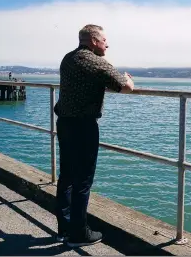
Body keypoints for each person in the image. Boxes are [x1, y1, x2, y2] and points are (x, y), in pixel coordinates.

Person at [53, 24, 134, 247]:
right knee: (83, 180)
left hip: (65, 123)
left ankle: (64, 229)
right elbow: (124, 86)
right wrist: (129, 79)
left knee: (67, 176)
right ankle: (79, 234)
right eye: (105, 40)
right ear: (94, 41)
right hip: (83, 127)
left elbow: (87, 81)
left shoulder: (68, 58)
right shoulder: (96, 61)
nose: (107, 44)